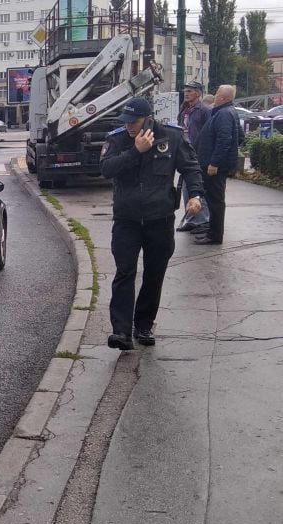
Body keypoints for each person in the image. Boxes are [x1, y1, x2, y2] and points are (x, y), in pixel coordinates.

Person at [100, 97, 204, 350]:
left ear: (149, 118)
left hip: (160, 217)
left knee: (154, 272)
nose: (129, 127)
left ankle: (144, 324)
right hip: (127, 219)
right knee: (125, 271)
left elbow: (191, 167)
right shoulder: (117, 139)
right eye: (126, 122)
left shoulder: (172, 136)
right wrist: (136, 150)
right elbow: (106, 169)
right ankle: (122, 331)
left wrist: (196, 195)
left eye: (134, 122)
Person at [194, 84, 240, 245]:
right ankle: (212, 231)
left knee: (215, 201)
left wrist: (215, 163)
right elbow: (239, 137)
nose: (215, 95)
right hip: (213, 164)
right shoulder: (226, 112)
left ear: (224, 98)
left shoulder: (224, 114)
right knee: (214, 199)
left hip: (214, 167)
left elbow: (224, 140)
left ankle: (214, 235)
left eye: (218, 93)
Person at [176, 81, 211, 233]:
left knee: (196, 187)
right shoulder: (185, 109)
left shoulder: (204, 110)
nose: (186, 93)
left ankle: (202, 221)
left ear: (198, 93)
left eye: (190, 91)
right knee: (185, 187)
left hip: (198, 154)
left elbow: (208, 133)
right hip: (185, 152)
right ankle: (192, 217)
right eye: (186, 90)